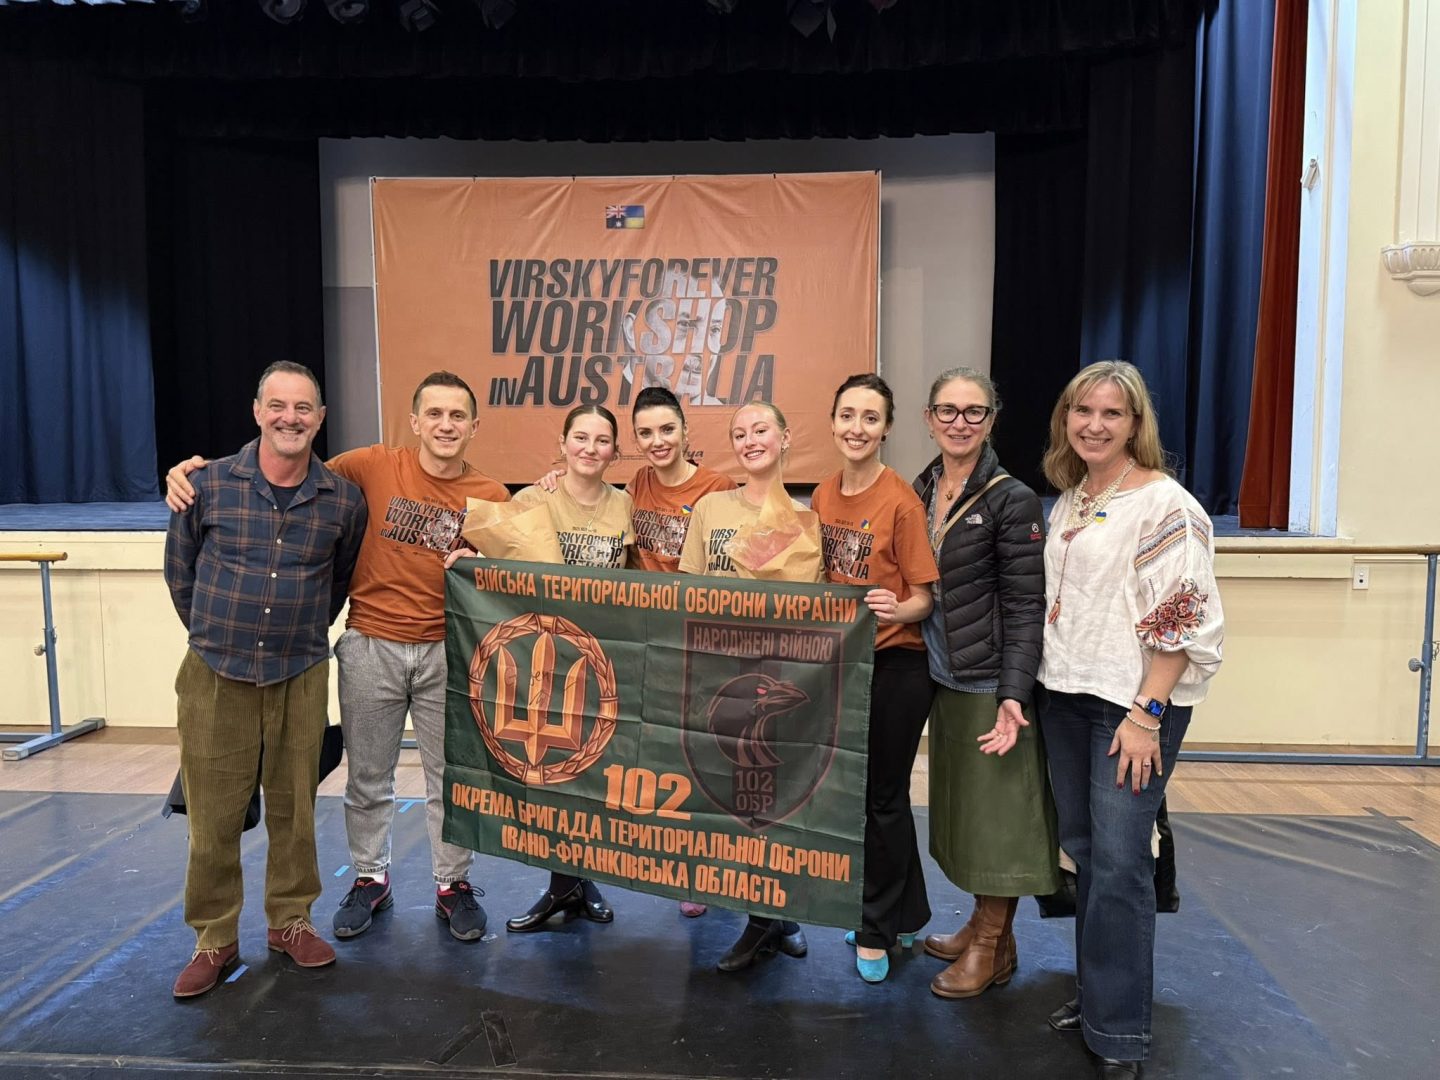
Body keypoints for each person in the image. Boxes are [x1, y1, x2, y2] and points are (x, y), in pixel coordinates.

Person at [165, 372, 508, 945]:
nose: (446, 425)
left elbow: (516, 553)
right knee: (367, 777)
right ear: (414, 421)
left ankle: (452, 884)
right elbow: (289, 465)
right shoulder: (368, 467)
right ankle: (370, 878)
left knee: (450, 778)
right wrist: (187, 473)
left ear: (475, 425)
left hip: (447, 650)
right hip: (371, 644)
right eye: (434, 413)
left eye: (458, 416)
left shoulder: (492, 495)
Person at [1036, 360, 1223, 1079]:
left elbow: (1183, 615)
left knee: (1119, 863)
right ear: (1066, 418)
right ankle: (1096, 998)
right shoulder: (1073, 498)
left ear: (1136, 424)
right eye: (1083, 411)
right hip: (1066, 695)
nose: (1094, 425)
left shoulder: (1165, 505)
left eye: (1111, 413)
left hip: (1131, 705)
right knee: (1087, 853)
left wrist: (1147, 714)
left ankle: (1118, 1033)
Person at [164, 361, 367, 999]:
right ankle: (214, 937)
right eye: (278, 405)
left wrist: (297, 635)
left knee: (294, 810)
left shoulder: (342, 500)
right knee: (213, 816)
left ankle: (290, 921)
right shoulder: (206, 485)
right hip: (215, 673)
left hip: (299, 673)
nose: (290, 418)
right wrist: (214, 634)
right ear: (257, 411)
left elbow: (338, 583)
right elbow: (180, 572)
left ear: (321, 418)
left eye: (303, 408)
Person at [540, 384, 737, 917]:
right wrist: (549, 482)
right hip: (643, 648)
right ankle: (643, 867)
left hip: (700, 648)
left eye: (667, 429)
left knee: (707, 763)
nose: (658, 441)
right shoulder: (634, 490)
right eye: (645, 433)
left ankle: (708, 875)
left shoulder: (719, 488)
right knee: (654, 765)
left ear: (686, 431)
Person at [912, 367, 1060, 1000]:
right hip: (943, 674)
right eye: (948, 410)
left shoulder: (1012, 499)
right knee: (969, 815)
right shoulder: (923, 487)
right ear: (929, 419)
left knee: (999, 818)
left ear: (992, 420)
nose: (960, 422)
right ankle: (983, 927)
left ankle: (992, 946)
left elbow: (1026, 606)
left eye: (974, 411)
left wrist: (1012, 692)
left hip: (988, 682)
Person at [679, 400, 821, 972]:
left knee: (771, 798)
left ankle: (767, 917)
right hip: (718, 675)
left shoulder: (807, 520)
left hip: (777, 678)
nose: (750, 441)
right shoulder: (711, 507)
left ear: (785, 438)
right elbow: (688, 588)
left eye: (760, 430)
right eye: (739, 434)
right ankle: (767, 915)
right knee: (724, 796)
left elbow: (814, 610)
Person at [811, 374, 939, 983]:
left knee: (882, 799)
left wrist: (896, 607)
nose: (856, 428)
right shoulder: (822, 495)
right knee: (869, 799)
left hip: (898, 665)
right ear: (832, 422)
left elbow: (923, 599)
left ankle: (874, 928)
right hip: (848, 663)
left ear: (886, 428)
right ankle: (905, 913)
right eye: (847, 415)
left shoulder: (901, 502)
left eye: (870, 417)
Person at [494, 404, 636, 932]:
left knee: (592, 773)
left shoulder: (626, 505)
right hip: (544, 658)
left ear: (614, 451)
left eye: (602, 440)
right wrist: (466, 560)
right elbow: (497, 558)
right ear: (563, 443)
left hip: (601, 659)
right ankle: (561, 884)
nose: (590, 449)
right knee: (551, 773)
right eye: (580, 437)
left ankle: (580, 880)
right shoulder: (533, 499)